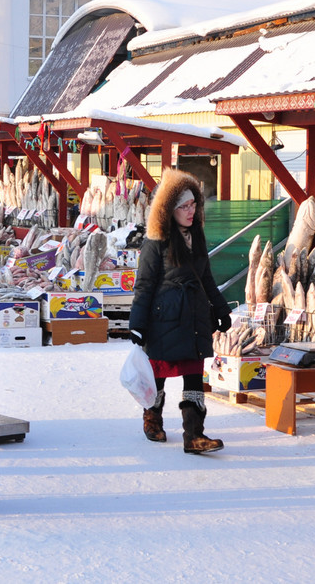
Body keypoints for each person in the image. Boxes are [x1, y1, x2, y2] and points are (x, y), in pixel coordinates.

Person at [128, 168, 230, 454]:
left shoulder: (196, 237)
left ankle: (194, 435)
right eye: (183, 206)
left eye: (193, 204)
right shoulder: (155, 242)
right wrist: (137, 325)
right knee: (157, 375)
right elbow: (144, 285)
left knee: (194, 378)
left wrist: (221, 309)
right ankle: (153, 420)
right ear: (168, 210)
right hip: (163, 321)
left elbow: (206, 277)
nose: (190, 211)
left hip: (195, 320)